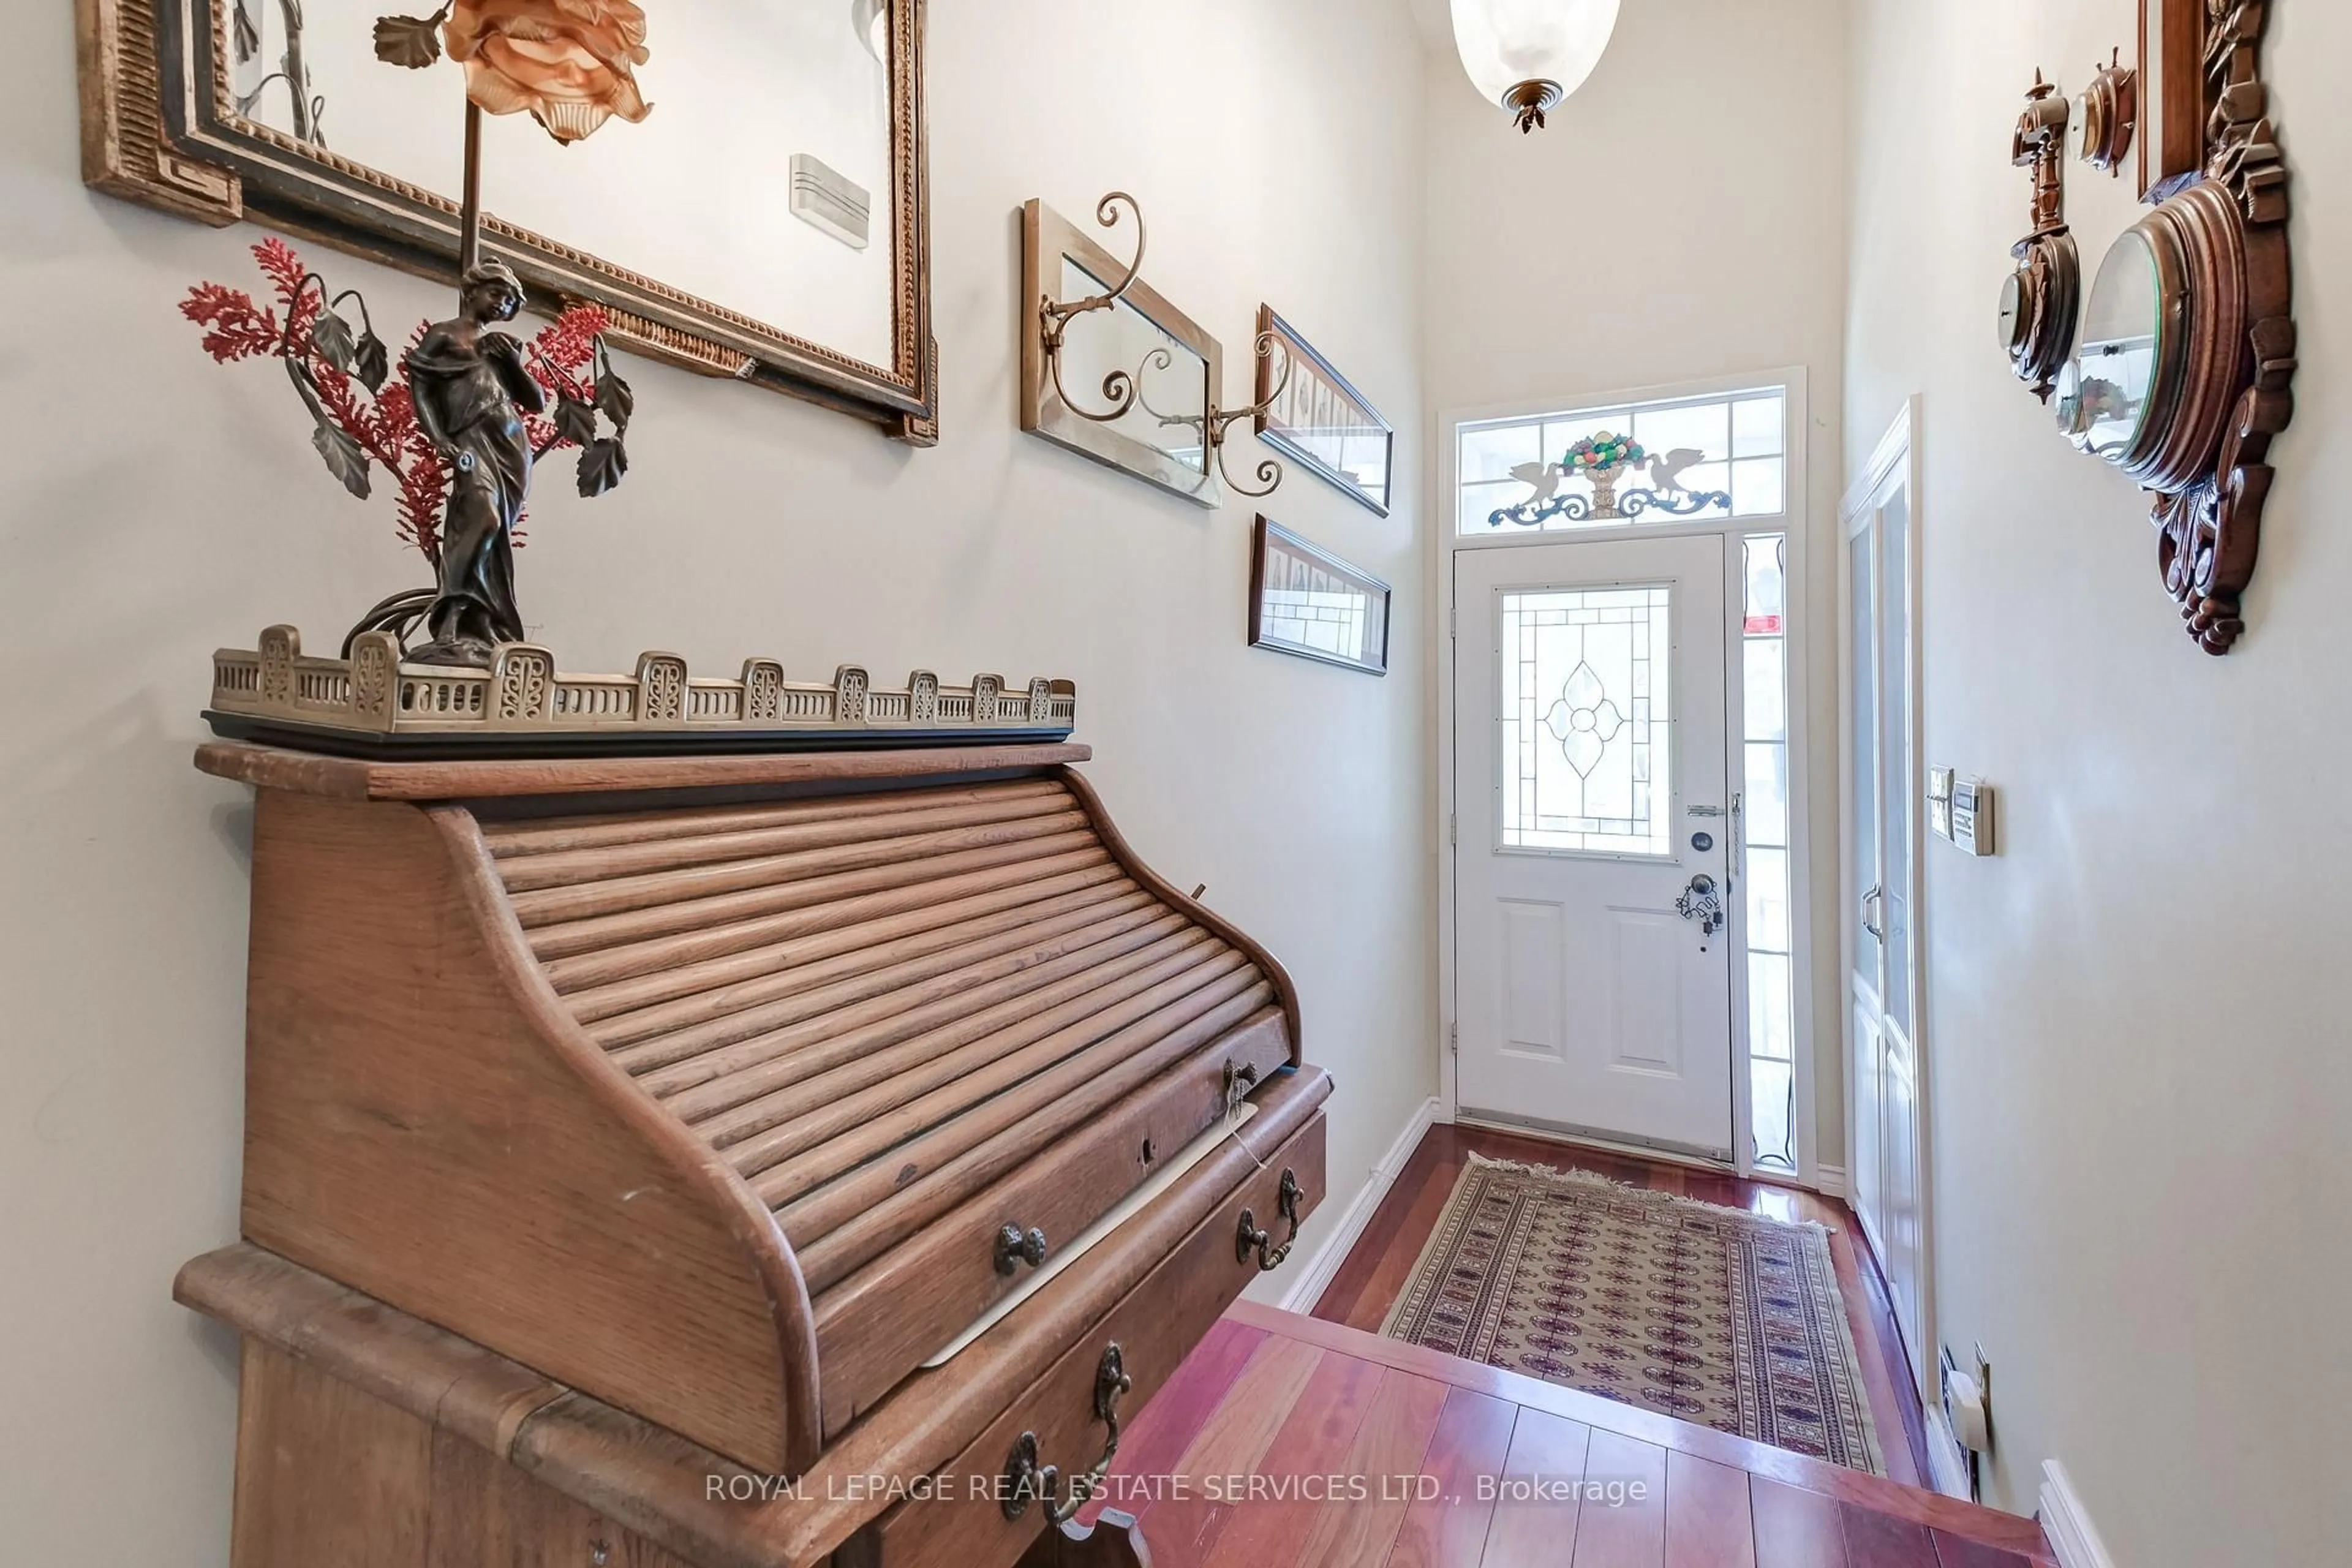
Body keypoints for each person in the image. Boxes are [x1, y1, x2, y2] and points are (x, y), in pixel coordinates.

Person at [403, 260, 542, 666]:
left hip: (512, 447)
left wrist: (513, 364)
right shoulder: (443, 335)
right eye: (497, 294)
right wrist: (439, 438)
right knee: (481, 519)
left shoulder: (501, 346)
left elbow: (536, 403)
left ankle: (482, 625)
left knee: (495, 536)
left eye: (511, 300)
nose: (503, 304)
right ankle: (449, 622)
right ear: (472, 291)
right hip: (469, 440)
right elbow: (421, 387)